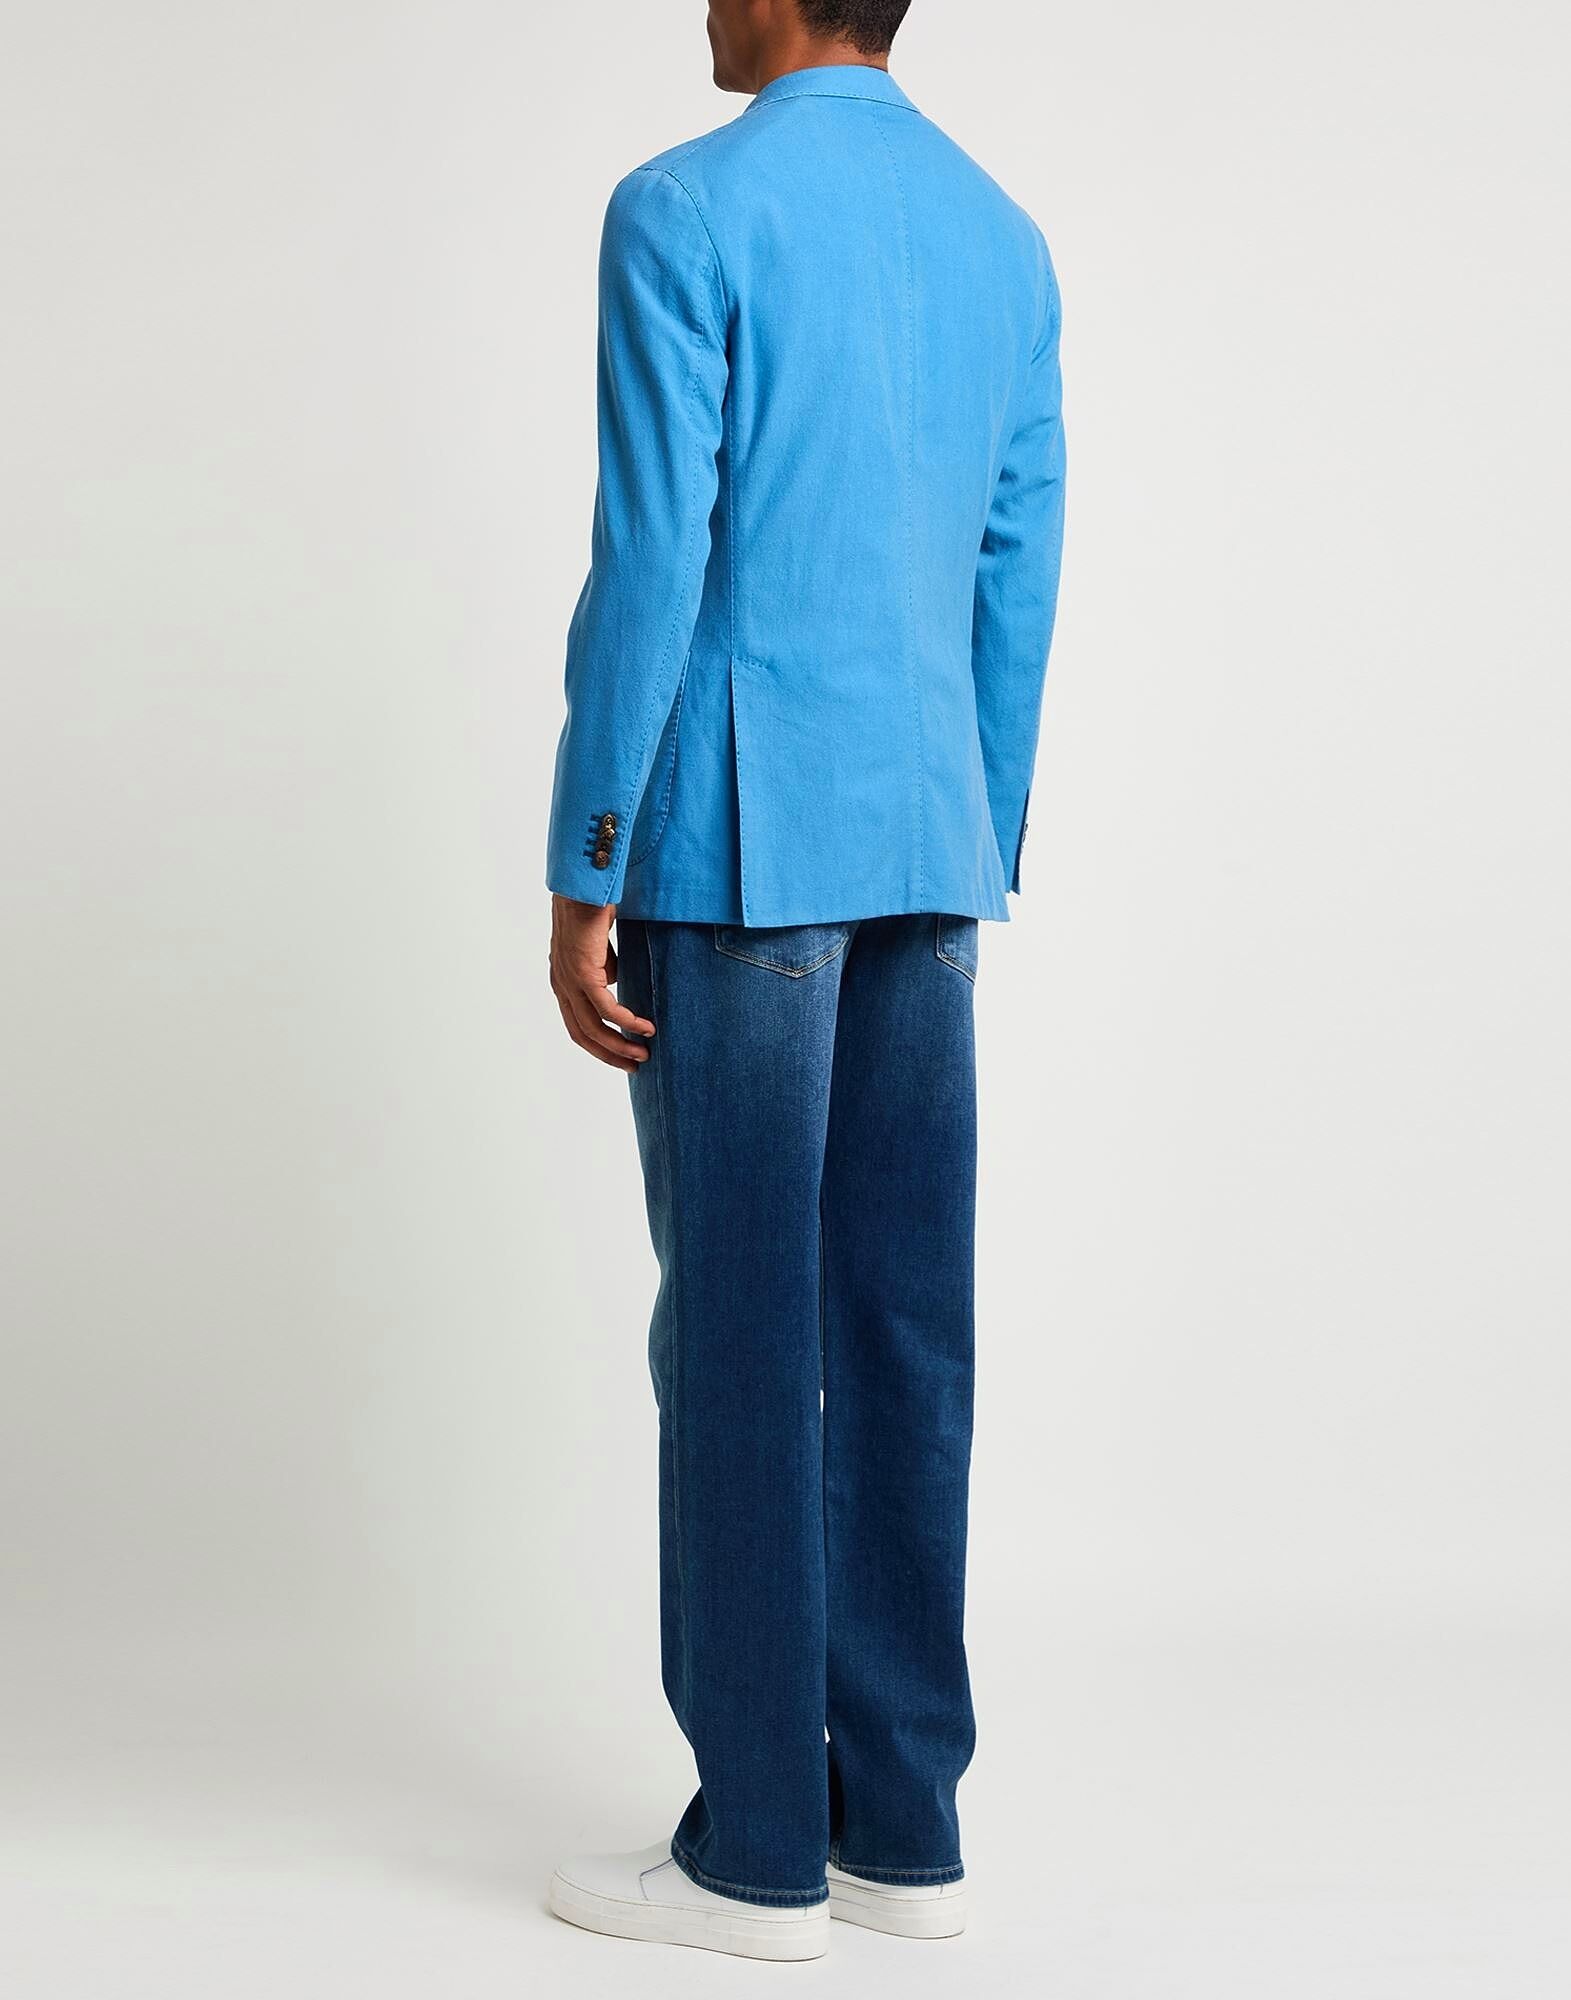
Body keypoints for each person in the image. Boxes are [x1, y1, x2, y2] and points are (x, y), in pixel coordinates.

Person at [544, 0, 1064, 1961]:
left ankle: (757, 1849)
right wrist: (976, 820)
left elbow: (649, 558)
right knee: (907, 1329)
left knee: (747, 1331)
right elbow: (1019, 563)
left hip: (740, 848)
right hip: (927, 839)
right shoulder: (1001, 235)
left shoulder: (685, 209)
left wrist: (589, 856)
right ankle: (904, 1831)